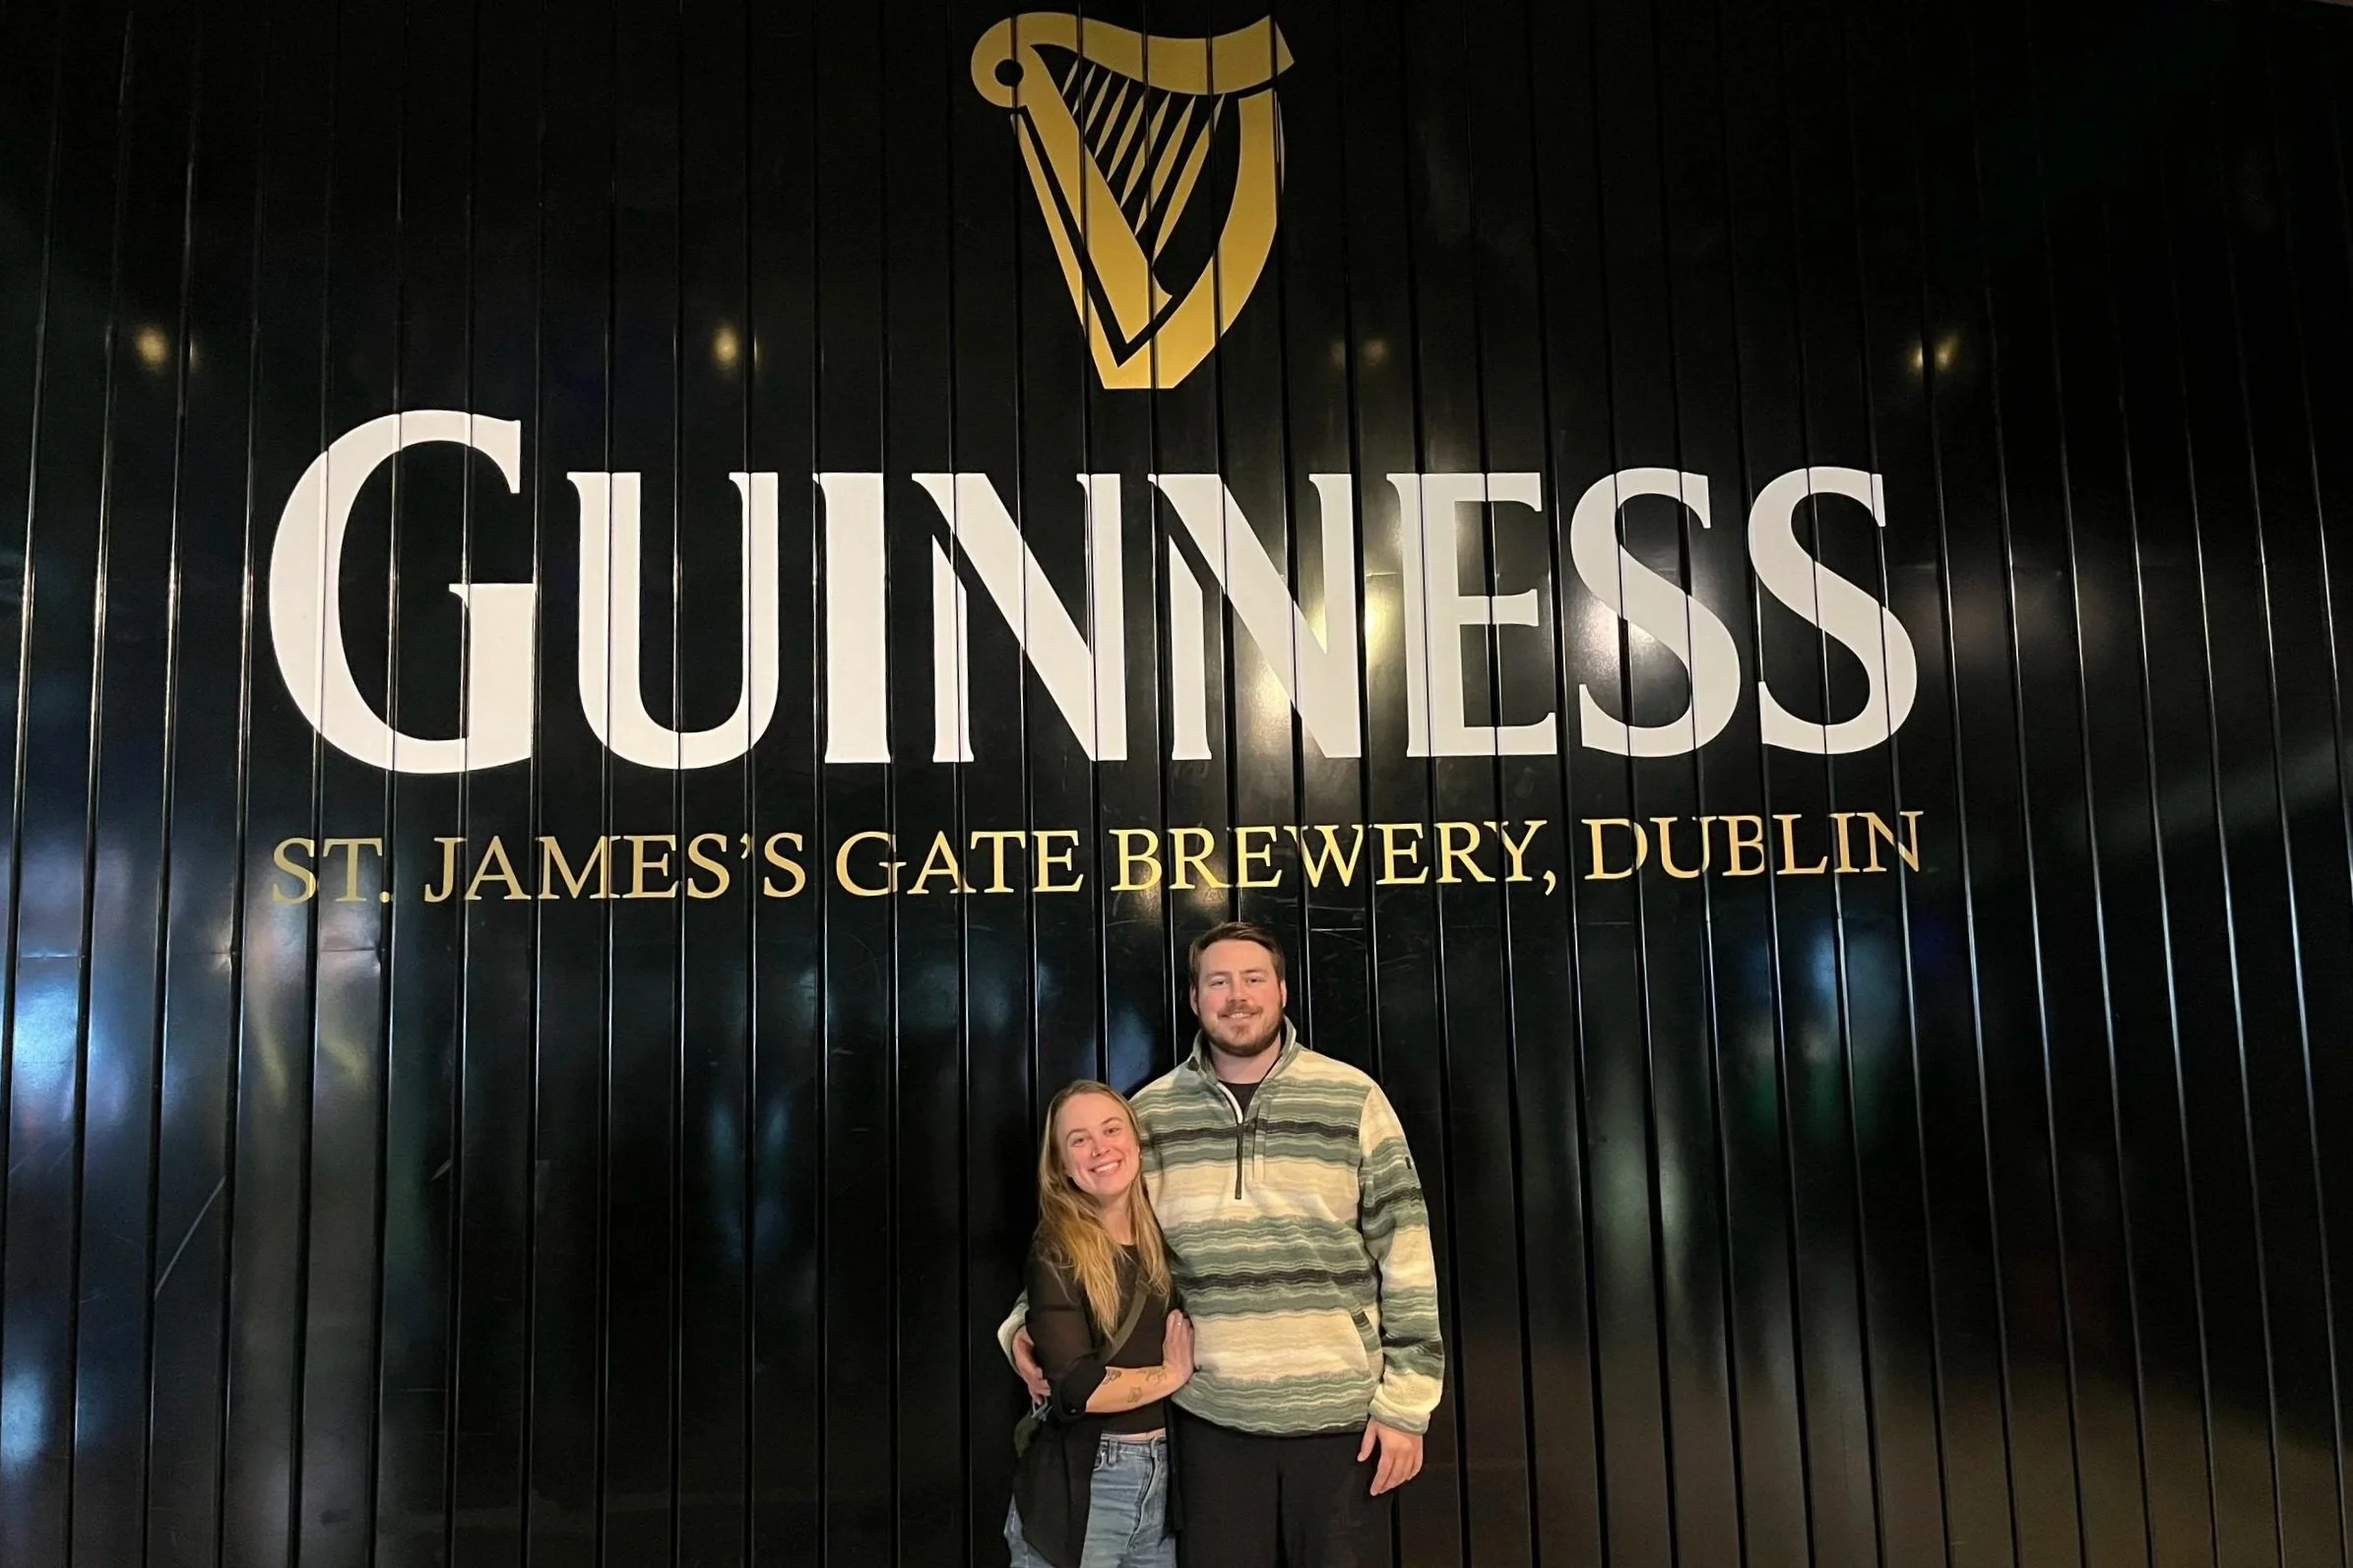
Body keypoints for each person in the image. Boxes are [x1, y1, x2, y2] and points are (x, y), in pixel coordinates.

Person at [1004, 921, 1443, 1568]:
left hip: (1340, 1424)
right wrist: (1026, 1320)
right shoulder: (1149, 1115)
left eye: (1253, 978)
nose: (1237, 996)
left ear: (1283, 990)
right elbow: (1095, 1231)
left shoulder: (1353, 1099)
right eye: (1219, 981)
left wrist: (1408, 1407)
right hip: (1208, 1427)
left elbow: (1406, 1250)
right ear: (1194, 999)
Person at [1006, 1079, 1196, 1568]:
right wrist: (1170, 1376)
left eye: (1112, 1129)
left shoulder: (1164, 1231)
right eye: (1079, 1140)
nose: (1100, 1148)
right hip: (1086, 1481)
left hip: (1165, 1481)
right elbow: (1078, 1389)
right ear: (1062, 1166)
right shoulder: (1057, 1249)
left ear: (1136, 1141)